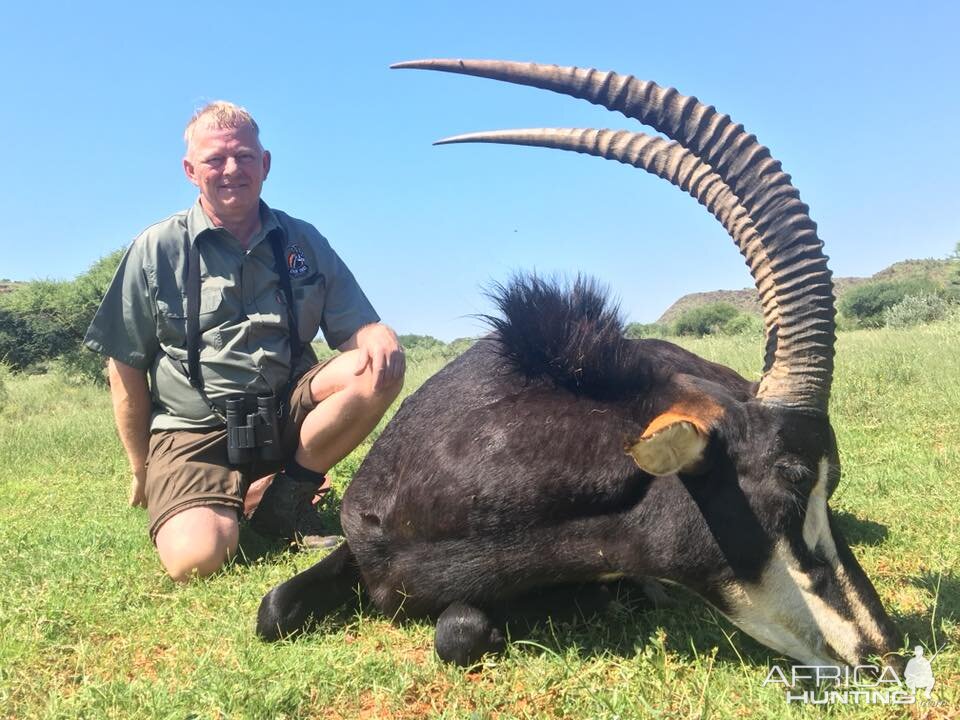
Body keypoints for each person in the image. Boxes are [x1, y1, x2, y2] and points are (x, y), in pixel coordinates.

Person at [84, 101, 404, 582]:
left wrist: (376, 332)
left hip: (282, 411)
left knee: (374, 366)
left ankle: (288, 495)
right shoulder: (156, 248)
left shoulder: (302, 240)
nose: (232, 169)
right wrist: (140, 467)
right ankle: (242, 493)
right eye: (215, 160)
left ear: (266, 164)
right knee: (198, 560)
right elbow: (124, 366)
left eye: (244, 157)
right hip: (195, 429)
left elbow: (355, 327)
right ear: (191, 170)